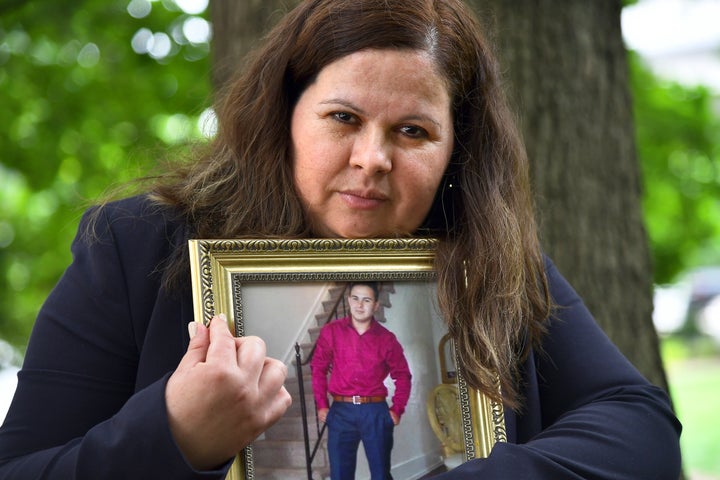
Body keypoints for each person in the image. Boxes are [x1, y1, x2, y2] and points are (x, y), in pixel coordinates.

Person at [0, 0, 681, 478]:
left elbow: (641, 428)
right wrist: (174, 433)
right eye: (343, 117)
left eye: (412, 131)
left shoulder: (486, 260)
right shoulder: (136, 248)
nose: (372, 158)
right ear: (285, 117)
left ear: (456, 151)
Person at [311, 282, 411, 480]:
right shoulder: (331, 331)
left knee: (381, 474)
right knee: (340, 475)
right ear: (348, 301)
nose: (359, 305)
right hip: (341, 412)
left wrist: (397, 409)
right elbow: (318, 369)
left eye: (366, 300)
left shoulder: (387, 339)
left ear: (375, 305)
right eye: (355, 298)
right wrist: (322, 404)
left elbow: (403, 375)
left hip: (374, 412)